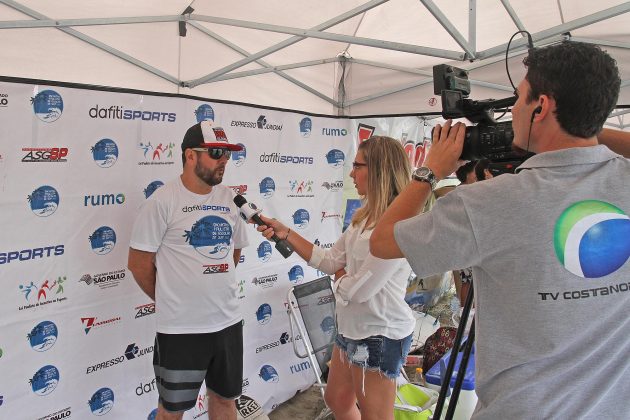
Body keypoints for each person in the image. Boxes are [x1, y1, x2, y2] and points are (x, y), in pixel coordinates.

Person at [371, 41, 629, 418]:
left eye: (520, 100)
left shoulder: (487, 203)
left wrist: (430, 171)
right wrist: (586, 126)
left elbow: (381, 241)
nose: (514, 113)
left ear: (542, 106)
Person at [255, 136, 415, 420]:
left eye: (358, 166)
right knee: (337, 399)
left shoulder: (396, 227)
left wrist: (341, 276)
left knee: (375, 415)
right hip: (350, 330)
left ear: (379, 170)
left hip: (379, 335)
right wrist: (286, 233)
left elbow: (356, 291)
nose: (351, 173)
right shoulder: (363, 218)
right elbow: (329, 261)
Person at [128, 121, 249, 420]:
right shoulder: (161, 202)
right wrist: (172, 297)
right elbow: (139, 263)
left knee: (224, 400)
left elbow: (234, 252)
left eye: (228, 154)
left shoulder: (231, 199)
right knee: (172, 410)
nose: (224, 160)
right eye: (216, 152)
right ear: (189, 156)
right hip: (181, 329)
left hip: (227, 323)